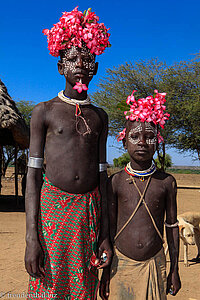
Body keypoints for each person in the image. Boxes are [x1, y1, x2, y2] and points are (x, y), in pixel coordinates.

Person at [25, 7, 112, 300]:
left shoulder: (100, 116)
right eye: (72, 58)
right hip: (52, 214)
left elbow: (102, 177)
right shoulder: (44, 111)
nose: (80, 64)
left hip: (86, 216)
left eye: (87, 59)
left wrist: (105, 234)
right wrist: (31, 238)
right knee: (48, 287)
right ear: (60, 66)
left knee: (82, 289)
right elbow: (33, 176)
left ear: (95, 68)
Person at [100, 90, 181, 300]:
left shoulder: (166, 182)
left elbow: (172, 227)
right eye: (135, 137)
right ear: (124, 142)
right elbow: (108, 228)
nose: (142, 142)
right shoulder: (115, 182)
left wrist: (174, 270)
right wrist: (106, 274)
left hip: (155, 264)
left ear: (158, 142)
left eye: (149, 137)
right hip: (121, 265)